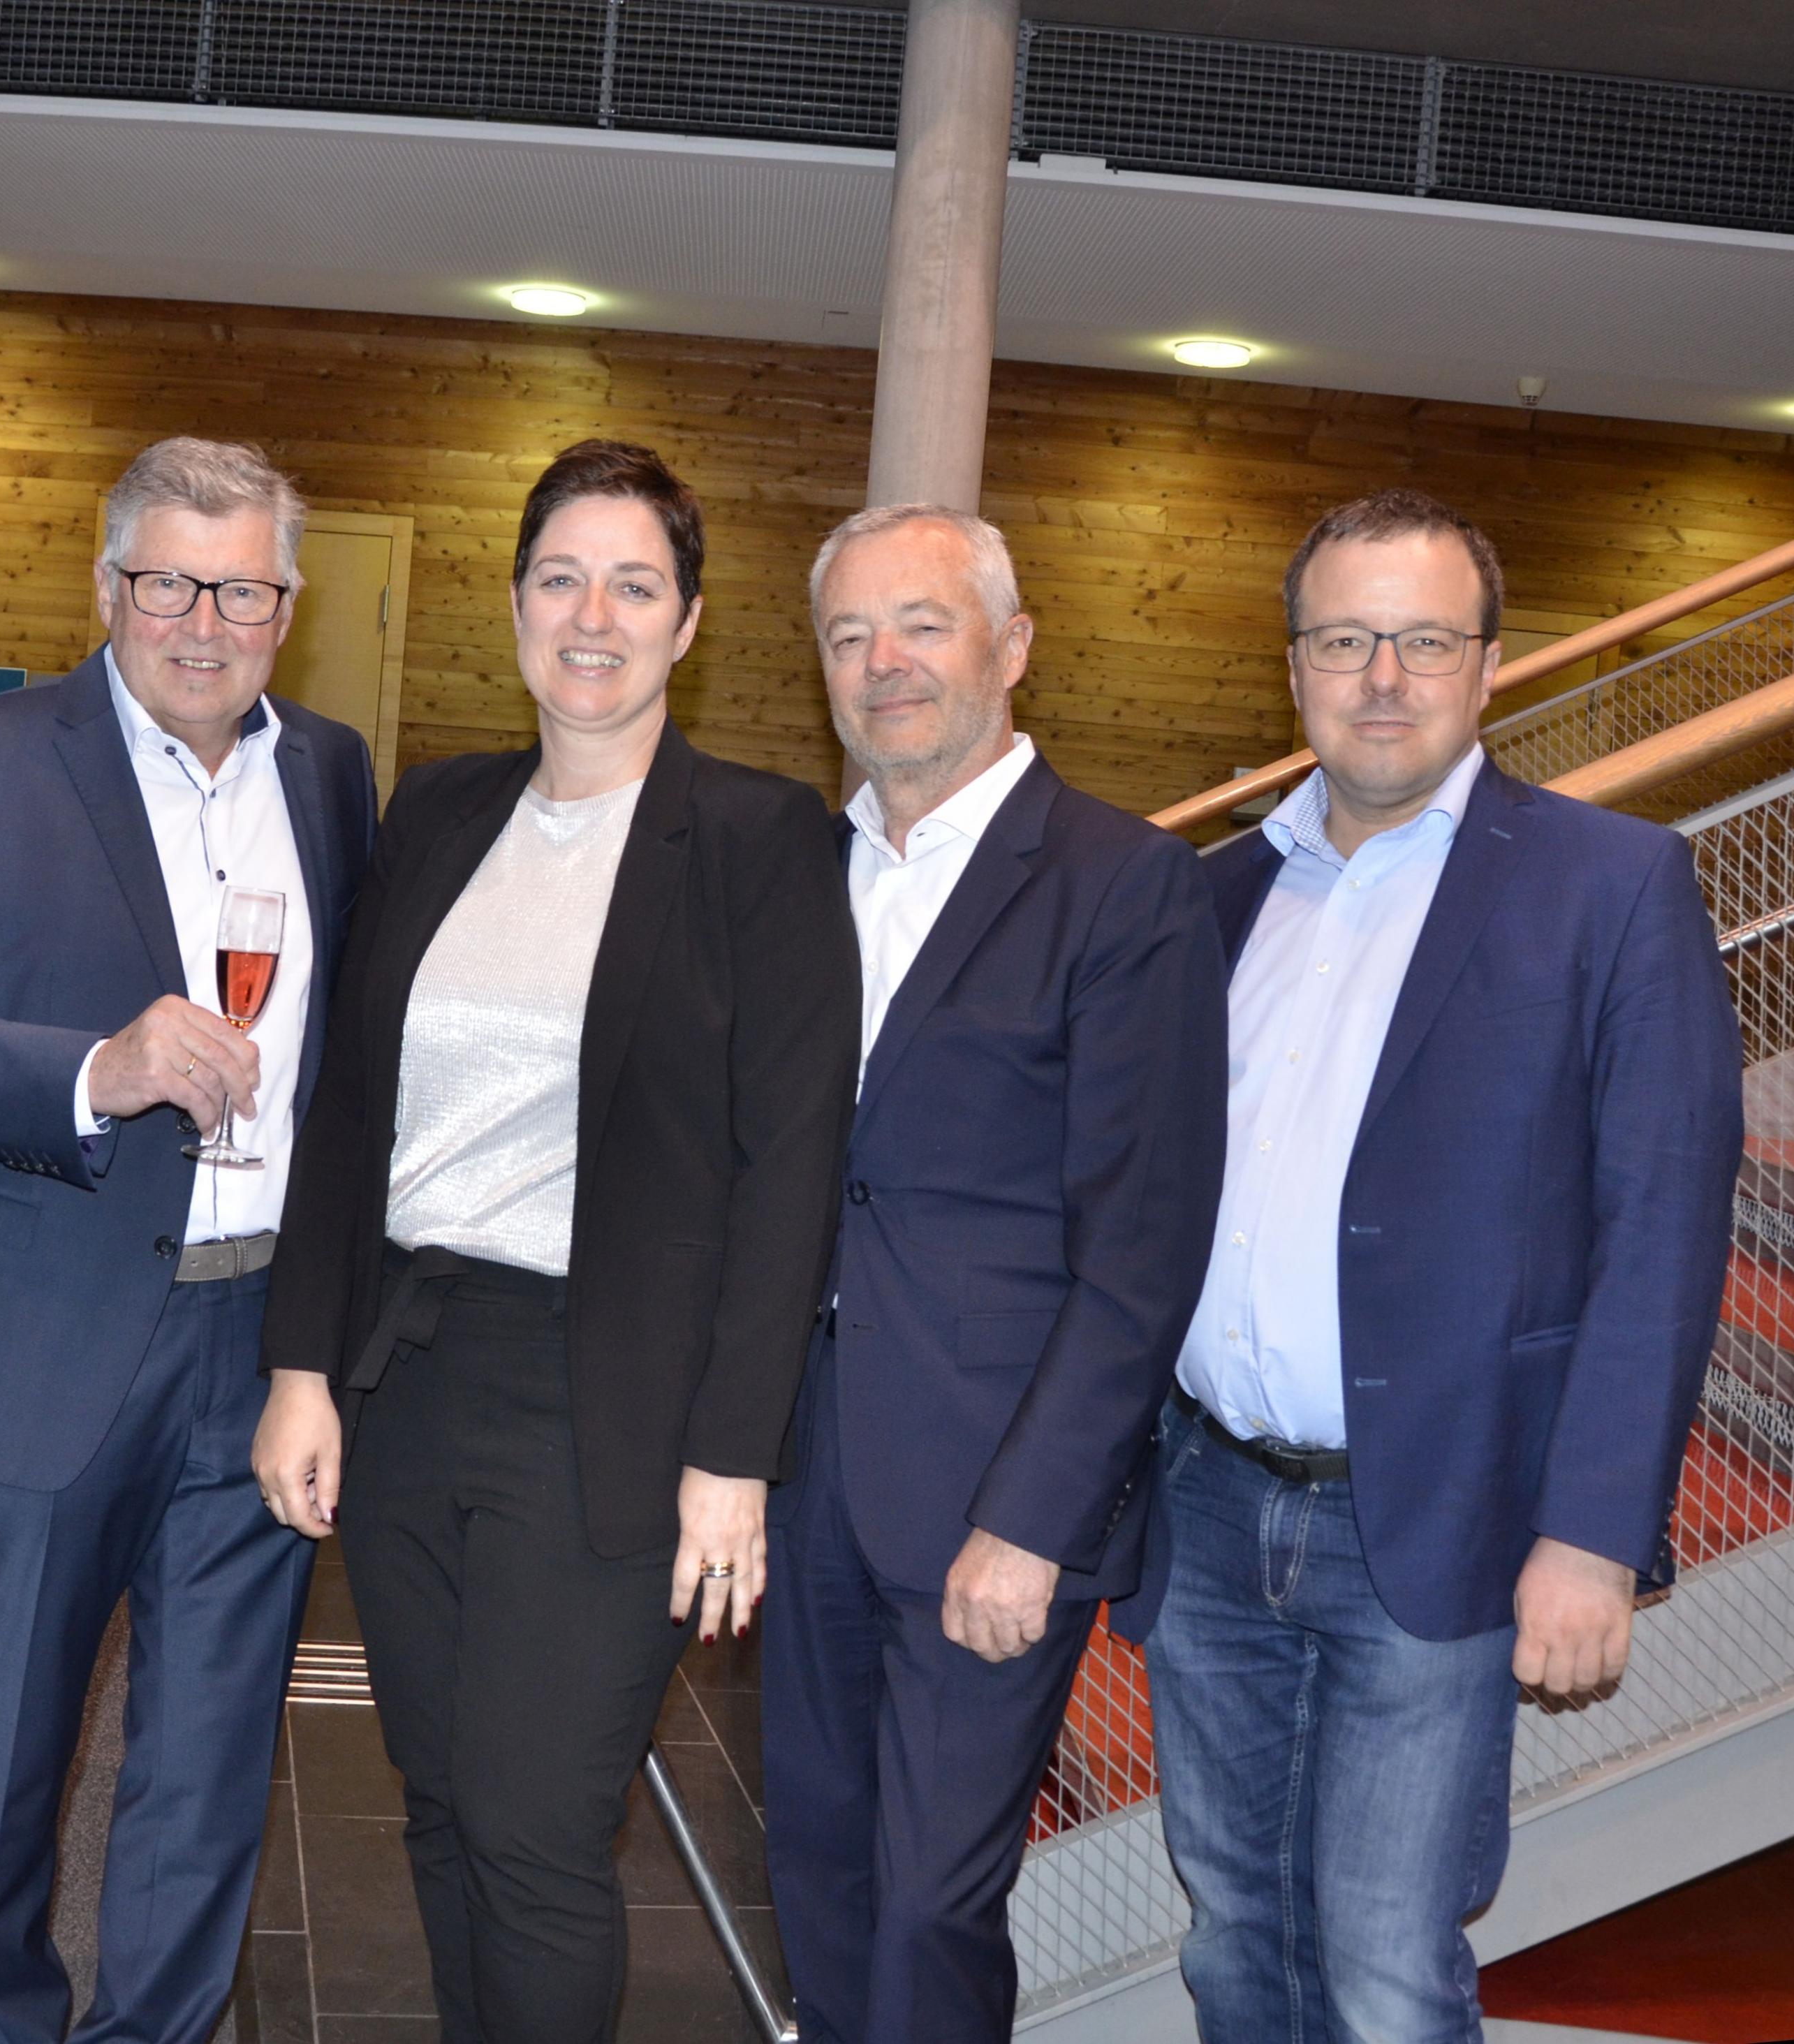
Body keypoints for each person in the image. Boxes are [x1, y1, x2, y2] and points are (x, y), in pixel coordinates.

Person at [1114, 488, 1745, 2040]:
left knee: (1385, 1965)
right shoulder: (1211, 897)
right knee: (1232, 1935)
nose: (1382, 676)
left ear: (1489, 664)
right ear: (1293, 668)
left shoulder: (1610, 885)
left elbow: (1662, 1230)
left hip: (1442, 1516)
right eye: (1343, 640)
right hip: (1207, 1506)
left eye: (1423, 640)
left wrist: (1591, 1535)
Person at [256, 439, 860, 2041]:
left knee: (533, 1828)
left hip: (608, 1403)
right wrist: (302, 1365)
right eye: (560, 579)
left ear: (688, 622)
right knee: (441, 1797)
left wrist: (731, 1458)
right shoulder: (440, 807)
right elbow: (348, 1109)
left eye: (632, 586)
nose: (591, 616)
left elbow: (789, 1174)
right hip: (406, 1371)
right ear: (516, 602)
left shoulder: (759, 839)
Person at [0, 437, 376, 2044]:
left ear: (288, 604)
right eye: (166, 584)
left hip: (262, 1342)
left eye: (241, 590)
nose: (203, 623)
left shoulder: (331, 772)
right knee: (8, 1752)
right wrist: (92, 1073)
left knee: (208, 1766)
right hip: (48, 1335)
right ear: (104, 587)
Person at [758, 505, 1229, 2039]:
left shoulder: (1123, 884)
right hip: (800, 1479)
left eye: (922, 624)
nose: (882, 662)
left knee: (926, 1908)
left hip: (989, 1497)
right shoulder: (800, 874)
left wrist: (1031, 1521)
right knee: (818, 1871)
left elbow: (1142, 1248)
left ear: (1011, 647)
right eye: (849, 635)